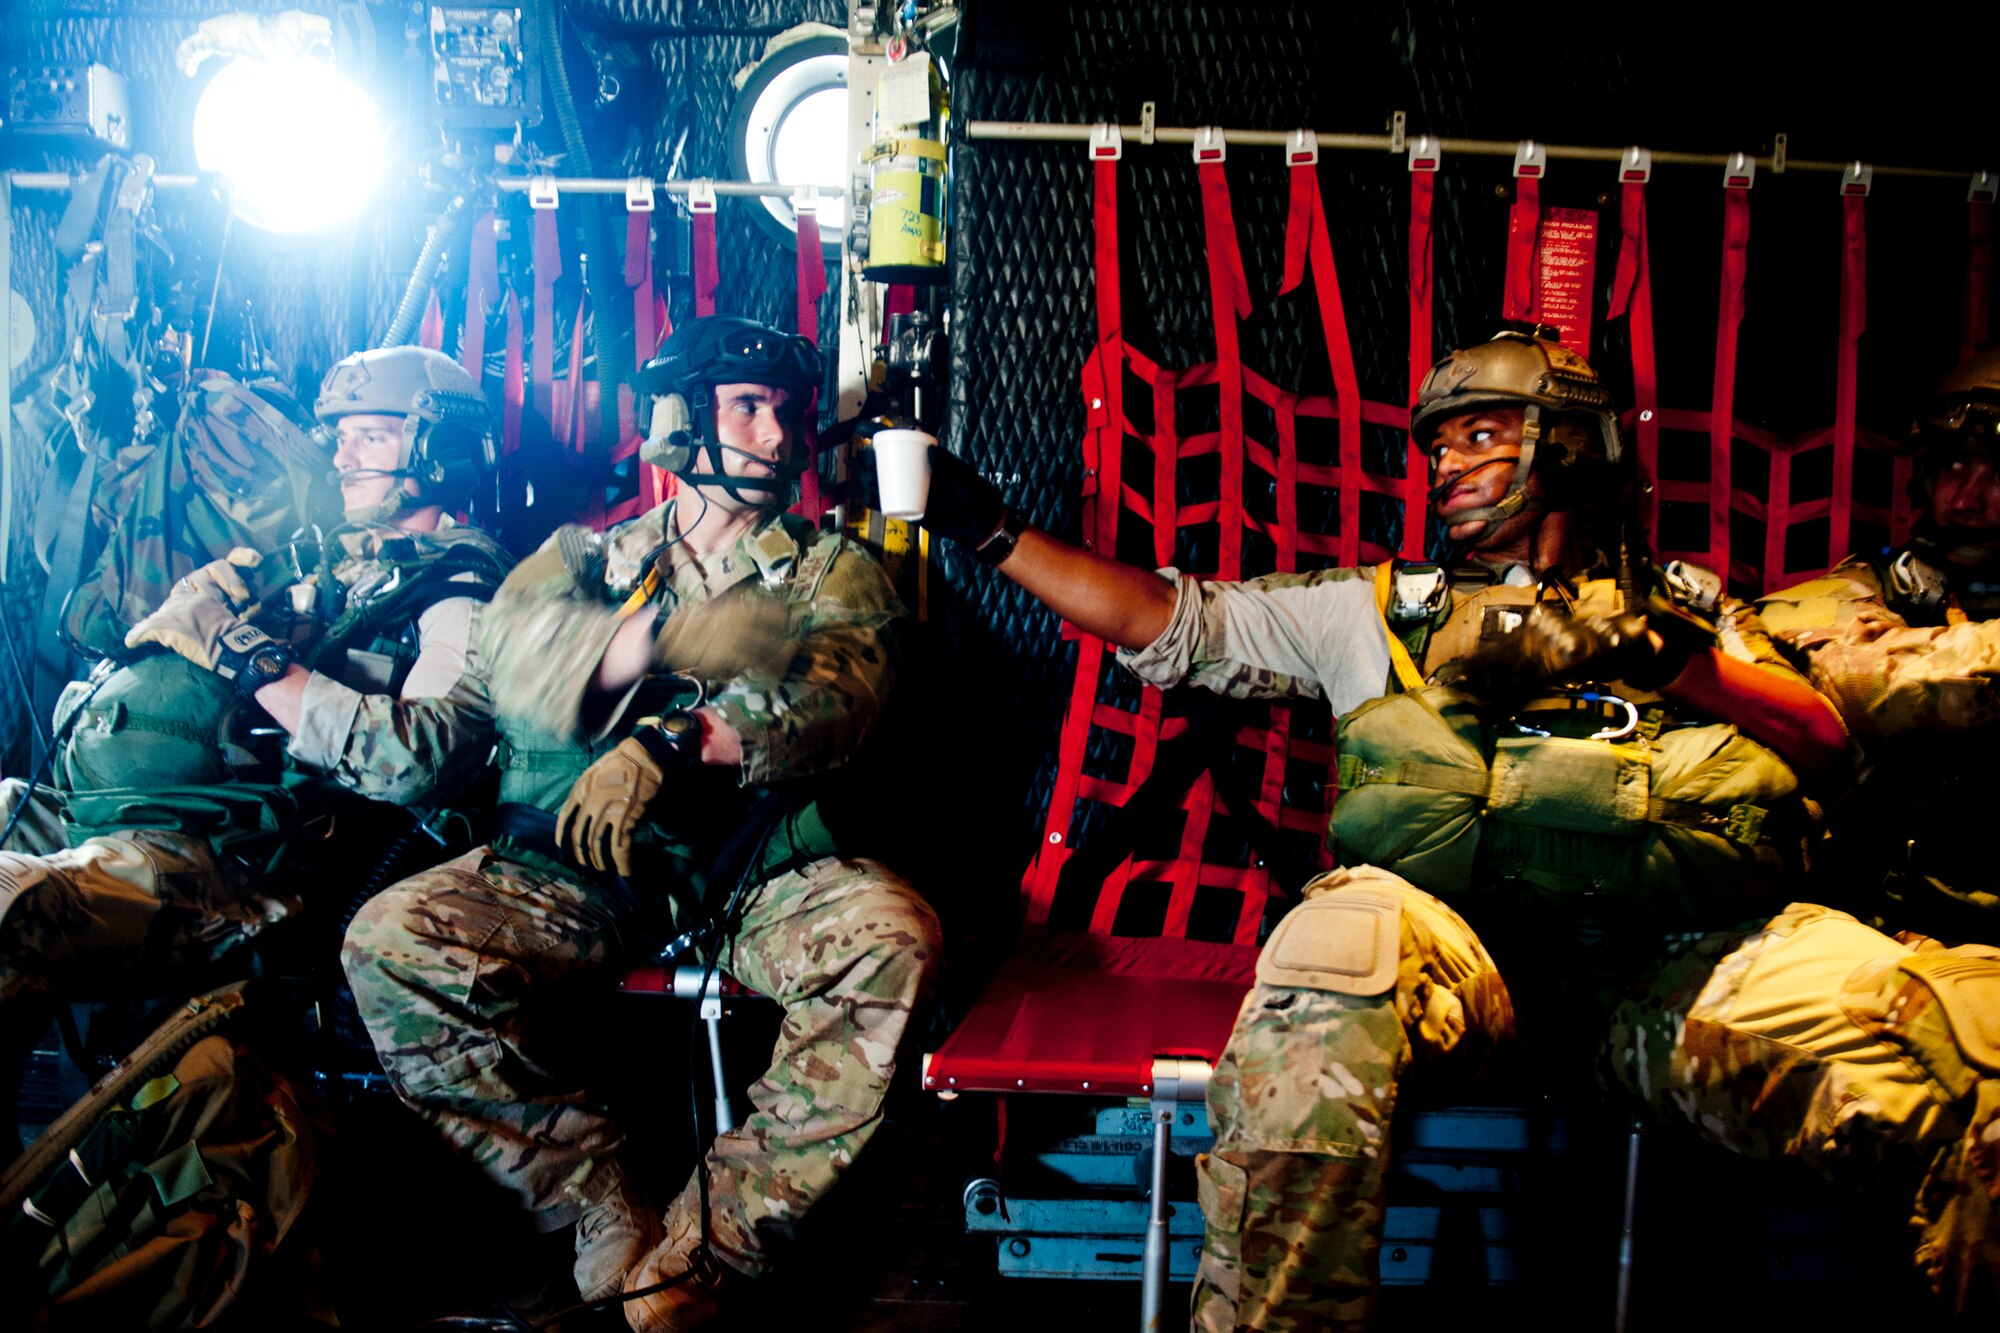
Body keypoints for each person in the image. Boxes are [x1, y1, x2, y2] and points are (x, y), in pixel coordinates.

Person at [909, 328, 1855, 1329]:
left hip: (1659, 971)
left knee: (1935, 1029)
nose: (1443, 466)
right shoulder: (1374, 611)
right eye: (1436, 446)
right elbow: (1168, 620)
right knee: (1333, 941)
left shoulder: (1688, 616)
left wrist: (1668, 659)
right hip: (1462, 964)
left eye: (1478, 436)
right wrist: (990, 531)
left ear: (1568, 446)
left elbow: (1826, 742)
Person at [340, 315, 940, 1332]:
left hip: (751, 865)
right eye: (747, 407)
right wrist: (631, 647)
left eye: (787, 413)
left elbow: (839, 701)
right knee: (389, 943)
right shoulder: (587, 557)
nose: (777, 434)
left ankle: (715, 1246)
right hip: (590, 865)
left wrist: (672, 740)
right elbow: (511, 663)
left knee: (890, 939)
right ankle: (591, 1200)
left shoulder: (827, 569)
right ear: (679, 423)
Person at [1609, 347, 2000, 1320]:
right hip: (1868, 946)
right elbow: (1865, 688)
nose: (1971, 492)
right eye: (1950, 464)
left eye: (1998, 469)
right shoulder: (1825, 608)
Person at [0, 344, 510, 1057]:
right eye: (339, 437)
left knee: (9, 905)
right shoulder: (321, 565)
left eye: (372, 433)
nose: (343, 457)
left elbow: (419, 760)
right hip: (118, 805)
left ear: (440, 450)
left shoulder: (460, 590)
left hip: (226, 862)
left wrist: (244, 654)